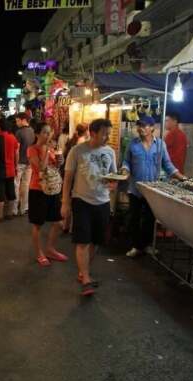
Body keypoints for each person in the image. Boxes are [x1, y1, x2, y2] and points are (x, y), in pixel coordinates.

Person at [61, 118, 117, 296]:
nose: (107, 137)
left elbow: (113, 176)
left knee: (96, 241)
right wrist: (65, 203)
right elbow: (68, 178)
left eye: (109, 133)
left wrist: (113, 184)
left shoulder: (110, 152)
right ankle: (85, 277)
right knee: (83, 241)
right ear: (92, 133)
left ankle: (83, 270)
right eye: (104, 133)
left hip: (103, 201)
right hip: (82, 200)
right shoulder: (77, 151)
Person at [122, 116, 186, 258]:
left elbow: (167, 164)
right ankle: (136, 246)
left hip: (152, 189)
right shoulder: (132, 144)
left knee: (150, 219)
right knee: (135, 218)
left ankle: (146, 245)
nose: (141, 128)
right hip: (135, 189)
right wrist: (125, 170)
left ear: (152, 128)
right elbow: (126, 161)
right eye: (139, 126)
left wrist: (180, 176)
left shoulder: (160, 145)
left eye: (144, 126)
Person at [27, 122, 68, 267]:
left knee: (58, 222)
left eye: (49, 132)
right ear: (37, 134)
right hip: (38, 190)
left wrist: (59, 161)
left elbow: (54, 167)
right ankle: (39, 253)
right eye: (44, 132)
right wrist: (46, 150)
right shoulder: (32, 149)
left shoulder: (52, 148)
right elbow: (41, 169)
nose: (48, 135)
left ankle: (50, 249)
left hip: (53, 189)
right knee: (38, 224)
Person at [0, 117, 18, 221]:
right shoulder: (13, 138)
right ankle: (9, 214)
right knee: (11, 191)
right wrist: (15, 166)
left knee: (0, 192)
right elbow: (16, 153)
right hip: (11, 169)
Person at [13, 112, 35, 216]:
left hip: (20, 162)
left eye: (17, 120)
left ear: (23, 120)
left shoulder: (19, 132)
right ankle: (24, 207)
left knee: (16, 184)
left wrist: (15, 162)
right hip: (29, 162)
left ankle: (14, 208)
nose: (16, 123)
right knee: (26, 185)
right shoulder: (32, 131)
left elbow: (17, 150)